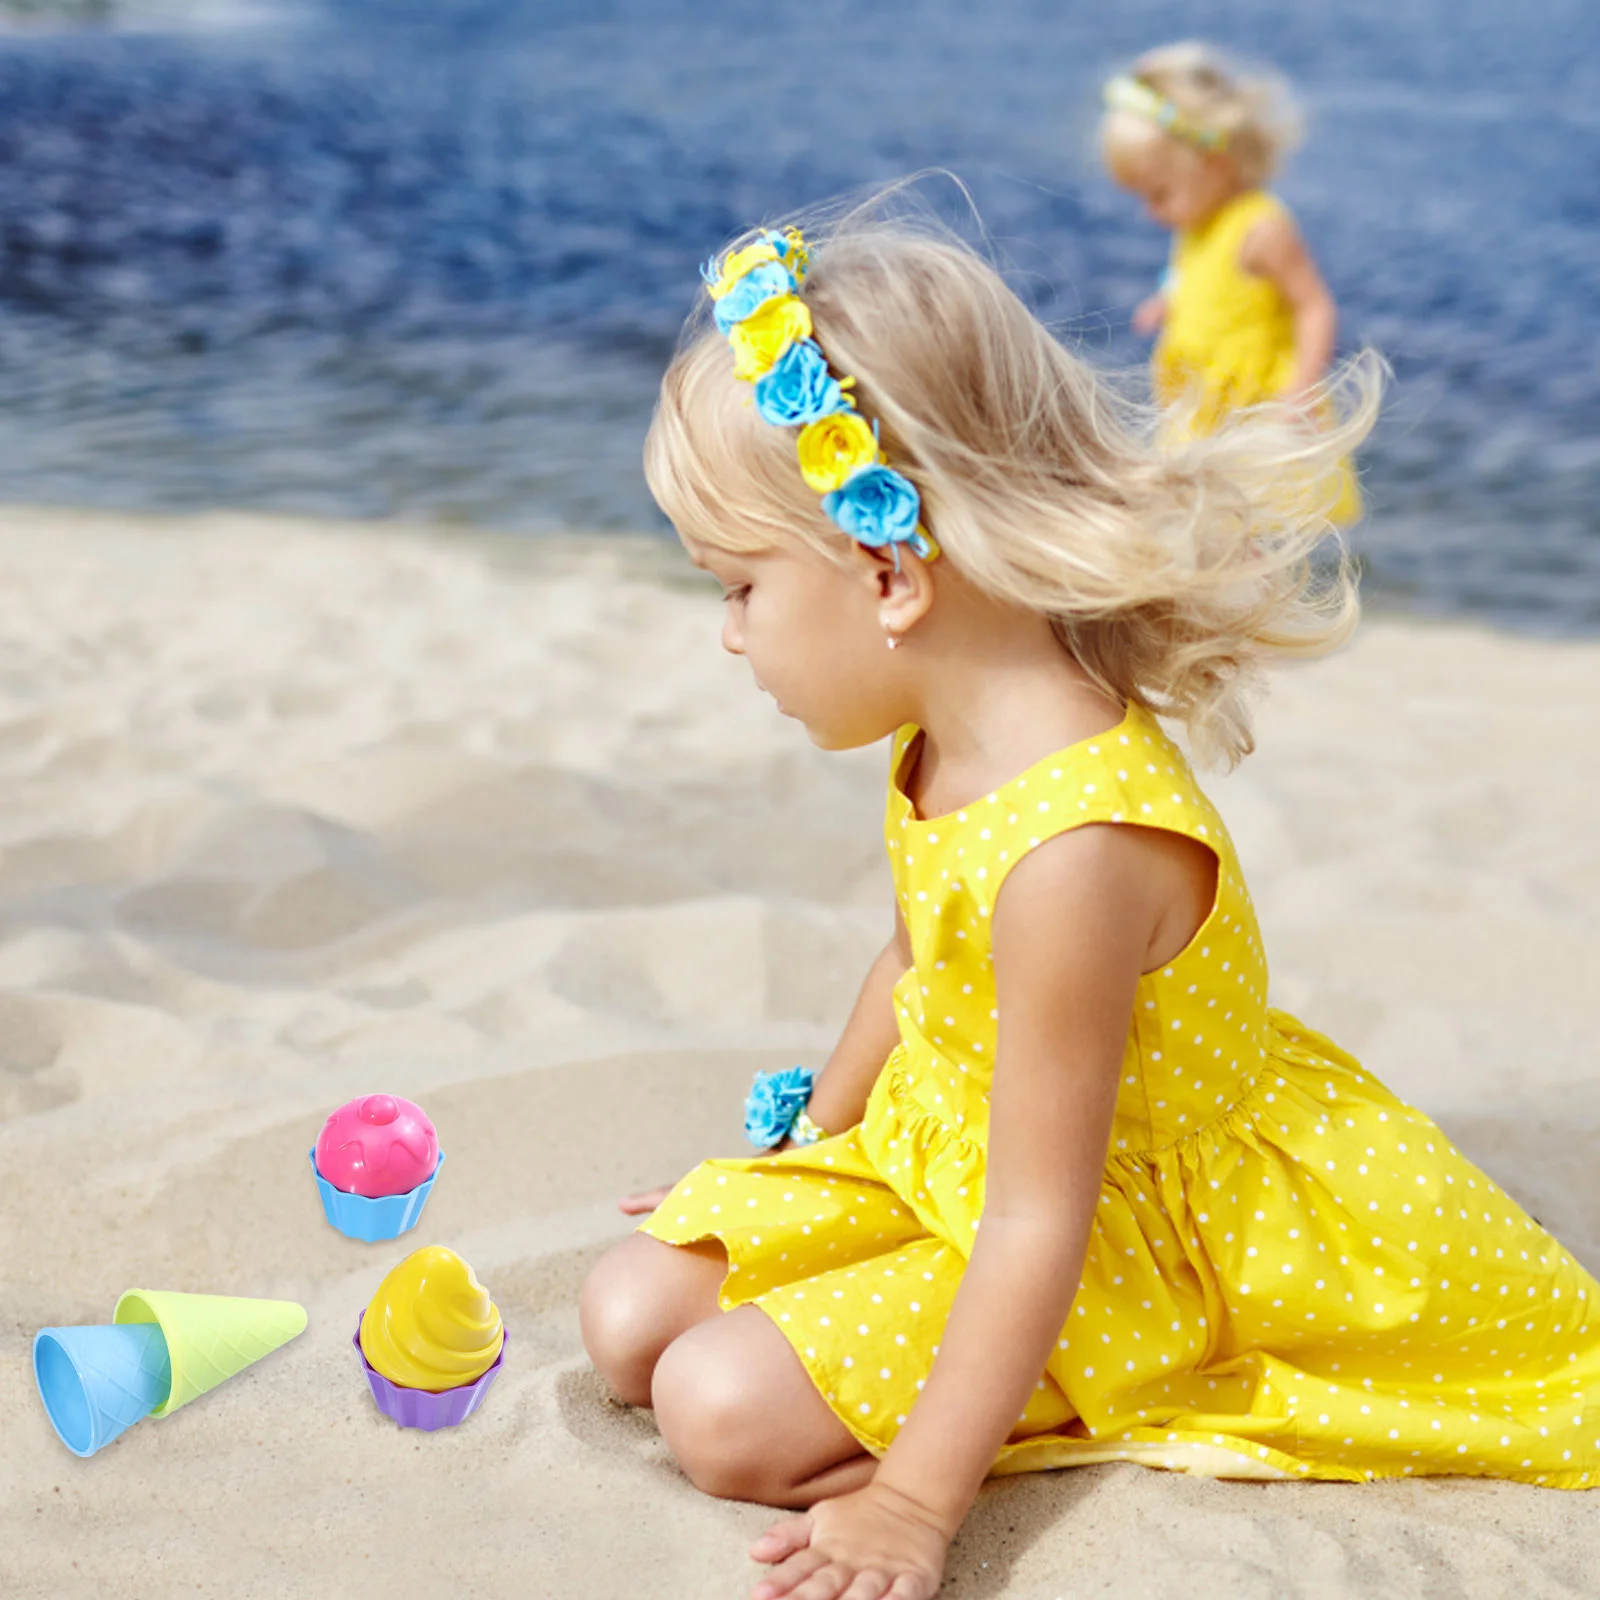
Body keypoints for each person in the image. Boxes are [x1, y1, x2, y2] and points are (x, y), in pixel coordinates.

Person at [578, 208, 1599, 1600]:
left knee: (717, 1411)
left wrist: (918, 1509)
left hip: (1114, 1235)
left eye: (743, 589)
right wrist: (803, 1147)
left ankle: (995, 1425)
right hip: (956, 1148)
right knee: (628, 1313)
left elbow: (1037, 1223)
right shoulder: (941, 731)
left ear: (888, 575)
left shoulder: (1076, 851)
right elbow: (912, 956)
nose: (731, 634)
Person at [1101, 41, 1363, 523]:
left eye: (1159, 194)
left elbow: (1314, 307)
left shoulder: (1260, 230)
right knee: (1207, 525)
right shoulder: (1197, 220)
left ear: (1215, 165)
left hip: (1259, 418)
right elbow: (1192, 270)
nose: (1150, 212)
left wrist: (1302, 391)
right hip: (1204, 414)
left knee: (1262, 530)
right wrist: (1165, 297)